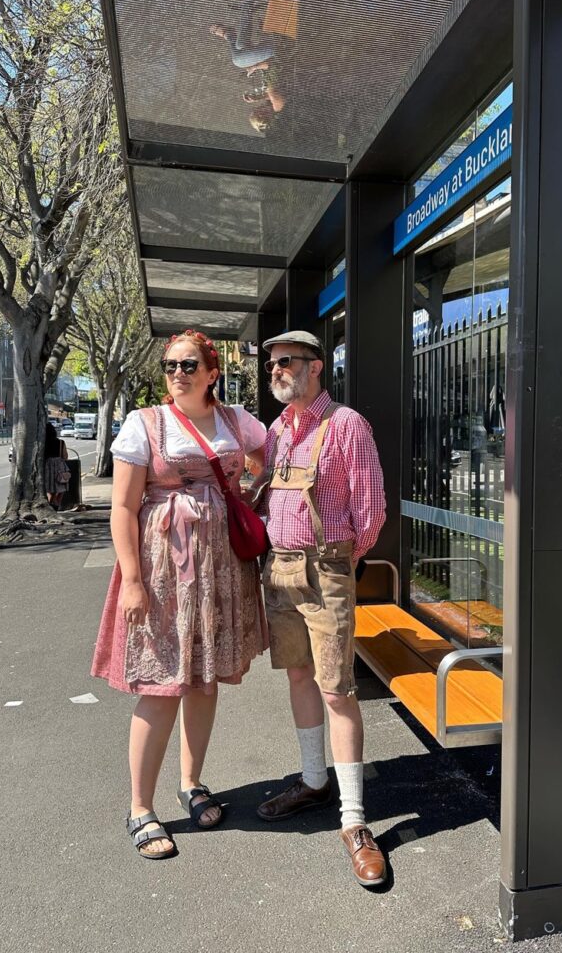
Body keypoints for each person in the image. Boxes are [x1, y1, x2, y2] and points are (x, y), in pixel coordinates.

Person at [91, 329, 269, 860]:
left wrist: (247, 495)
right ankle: (140, 807)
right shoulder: (145, 424)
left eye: (188, 365)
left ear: (212, 372)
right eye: (170, 365)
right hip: (164, 570)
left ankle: (192, 783)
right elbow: (122, 508)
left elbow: (268, 459)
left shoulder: (239, 421)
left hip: (221, 568)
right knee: (161, 682)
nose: (177, 374)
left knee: (204, 679)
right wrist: (133, 580)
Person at [252, 330, 388, 888]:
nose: (277, 372)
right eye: (272, 366)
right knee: (300, 674)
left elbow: (372, 510)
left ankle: (354, 820)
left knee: (338, 688)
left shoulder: (348, 425)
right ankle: (313, 780)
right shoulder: (278, 432)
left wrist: (337, 564)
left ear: (316, 367)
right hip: (279, 571)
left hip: (325, 569)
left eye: (286, 363)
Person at [44, 421, 69, 510]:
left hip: (47, 467)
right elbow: (65, 456)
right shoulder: (61, 442)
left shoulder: (43, 444)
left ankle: (51, 504)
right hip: (60, 468)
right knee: (61, 487)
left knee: (50, 489)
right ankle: (56, 504)